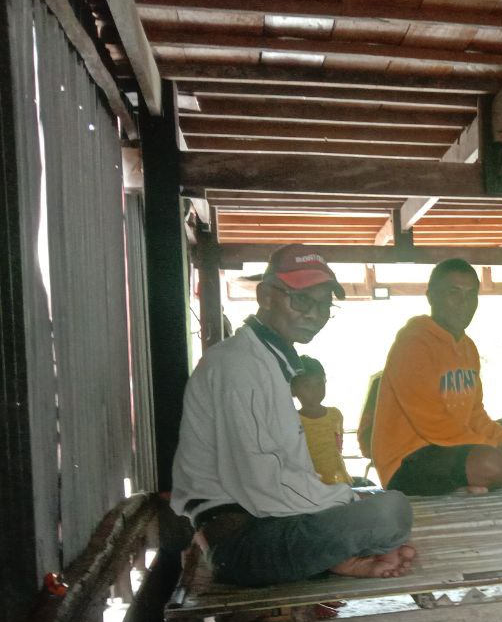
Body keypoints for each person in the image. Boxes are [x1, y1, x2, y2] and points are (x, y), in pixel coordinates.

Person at [171, 246, 416, 587]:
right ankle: (346, 553)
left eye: (324, 304)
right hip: (240, 547)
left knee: (380, 508)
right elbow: (263, 483)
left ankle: (342, 557)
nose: (314, 314)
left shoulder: (265, 362)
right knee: (390, 510)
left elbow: (284, 476)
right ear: (266, 296)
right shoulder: (238, 365)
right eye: (301, 300)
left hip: (267, 524)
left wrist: (344, 504)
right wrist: (347, 500)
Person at [372, 258, 502, 495]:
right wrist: (493, 448)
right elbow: (434, 423)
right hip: (407, 461)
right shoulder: (413, 343)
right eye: (454, 293)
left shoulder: (467, 347)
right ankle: (475, 478)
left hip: (449, 448)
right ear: (431, 296)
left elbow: (475, 412)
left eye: (471, 295)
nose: (464, 303)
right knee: (492, 464)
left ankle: (469, 481)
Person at [292, 355, 354, 486]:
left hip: (340, 483)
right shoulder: (293, 420)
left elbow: (338, 450)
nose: (315, 390)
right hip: (311, 486)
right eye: (307, 385)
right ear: (293, 390)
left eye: (319, 383)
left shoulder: (335, 415)